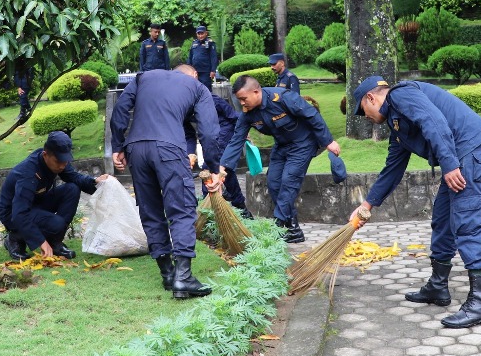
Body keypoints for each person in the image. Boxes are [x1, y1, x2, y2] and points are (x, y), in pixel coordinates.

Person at [350, 76, 481, 329]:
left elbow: (434, 122)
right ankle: (438, 286)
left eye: (363, 111)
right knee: (442, 221)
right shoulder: (397, 124)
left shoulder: (401, 95)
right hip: (459, 156)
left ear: (371, 98)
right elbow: (392, 169)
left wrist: (450, 164)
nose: (366, 117)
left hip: (469, 153)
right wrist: (367, 206)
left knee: (467, 223)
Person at [110, 64, 223, 298]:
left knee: (150, 210)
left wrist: (118, 146)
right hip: (169, 149)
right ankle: (183, 278)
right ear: (192, 74)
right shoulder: (197, 87)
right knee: (181, 209)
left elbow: (120, 109)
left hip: (136, 150)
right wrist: (213, 168)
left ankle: (167, 273)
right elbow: (210, 133)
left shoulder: (143, 77)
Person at [220, 75, 340, 243]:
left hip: (303, 143)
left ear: (256, 92)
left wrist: (328, 141)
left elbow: (311, 115)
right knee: (274, 182)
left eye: (243, 99)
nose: (242, 103)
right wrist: (223, 167)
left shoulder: (283, 98)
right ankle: (293, 229)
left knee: (289, 181)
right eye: (239, 100)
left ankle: (277, 226)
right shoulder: (247, 114)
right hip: (282, 145)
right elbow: (236, 139)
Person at [0, 131, 108, 261]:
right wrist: (40, 241)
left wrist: (95, 182)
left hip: (35, 203)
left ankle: (55, 243)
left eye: (65, 161)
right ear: (45, 155)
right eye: (58, 161)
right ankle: (15, 238)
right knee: (56, 223)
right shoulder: (28, 174)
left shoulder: (58, 161)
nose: (62, 165)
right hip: (12, 212)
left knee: (72, 189)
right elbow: (19, 213)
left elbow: (73, 177)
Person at [173, 66, 251, 218]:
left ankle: (209, 208)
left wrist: (243, 131)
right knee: (225, 168)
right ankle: (240, 206)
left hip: (224, 129)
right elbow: (188, 131)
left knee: (209, 167)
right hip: (209, 134)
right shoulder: (181, 102)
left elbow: (232, 115)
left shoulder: (206, 96)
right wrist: (190, 152)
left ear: (195, 75)